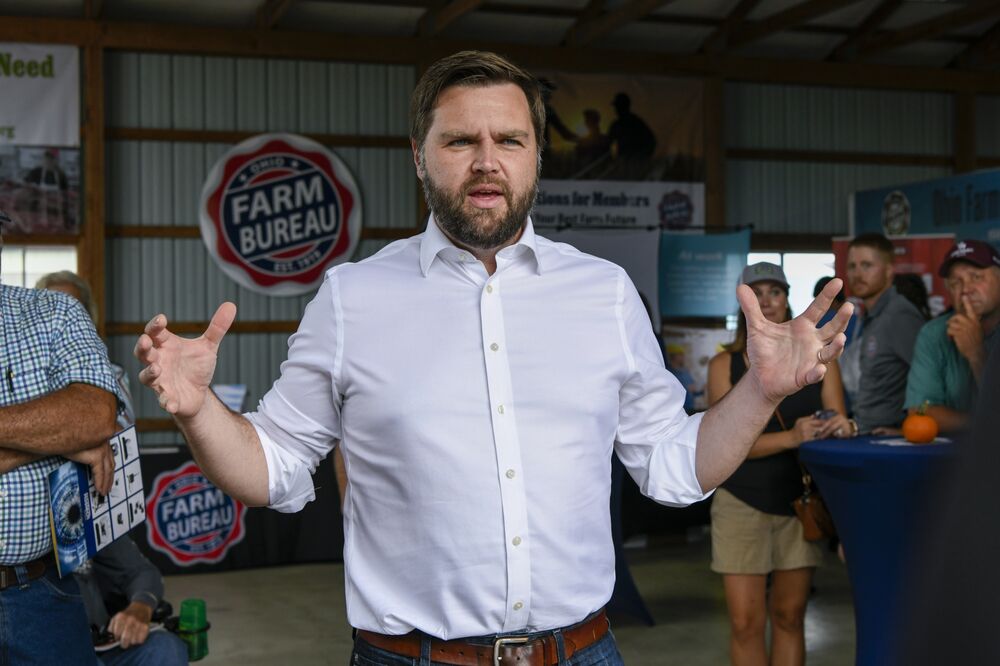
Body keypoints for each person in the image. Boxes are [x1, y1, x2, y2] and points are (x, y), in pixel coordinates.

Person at [133, 51, 851, 665]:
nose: (486, 160)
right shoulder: (352, 298)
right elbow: (271, 467)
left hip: (581, 651)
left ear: (536, 155)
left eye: (509, 139)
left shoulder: (604, 293)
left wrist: (760, 390)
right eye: (459, 141)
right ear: (419, 156)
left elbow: (673, 467)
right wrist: (199, 410)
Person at [707, 262, 852, 666]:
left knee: (790, 616)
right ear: (744, 304)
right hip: (741, 502)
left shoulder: (820, 358)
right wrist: (792, 437)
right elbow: (718, 445)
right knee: (746, 624)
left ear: (787, 299)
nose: (767, 300)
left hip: (798, 502)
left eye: (775, 291)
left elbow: (838, 420)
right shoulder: (724, 365)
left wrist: (843, 427)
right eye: (757, 293)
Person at [0, 209, 123, 665]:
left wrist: (78, 431)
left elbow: (95, 416)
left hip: (42, 595)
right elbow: (78, 428)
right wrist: (56, 439)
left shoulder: (54, 312)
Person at [904, 240, 1000, 433]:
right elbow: (920, 412)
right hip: (952, 449)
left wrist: (976, 354)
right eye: (956, 283)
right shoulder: (934, 333)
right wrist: (984, 424)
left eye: (976, 277)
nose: (966, 289)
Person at [845, 233, 924, 434]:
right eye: (852, 266)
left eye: (867, 265)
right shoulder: (872, 316)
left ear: (889, 270)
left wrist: (907, 431)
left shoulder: (899, 315)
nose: (857, 274)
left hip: (887, 439)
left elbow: (931, 379)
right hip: (865, 432)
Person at [36, 270, 136, 427]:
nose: (61, 321)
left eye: (72, 312)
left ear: (89, 318)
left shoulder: (113, 374)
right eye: (50, 311)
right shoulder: (23, 375)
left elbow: (123, 434)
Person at [75, 537, 189, 666]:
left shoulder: (79, 526)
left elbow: (140, 571)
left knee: (166, 648)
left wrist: (141, 606)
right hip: (63, 652)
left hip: (104, 643)